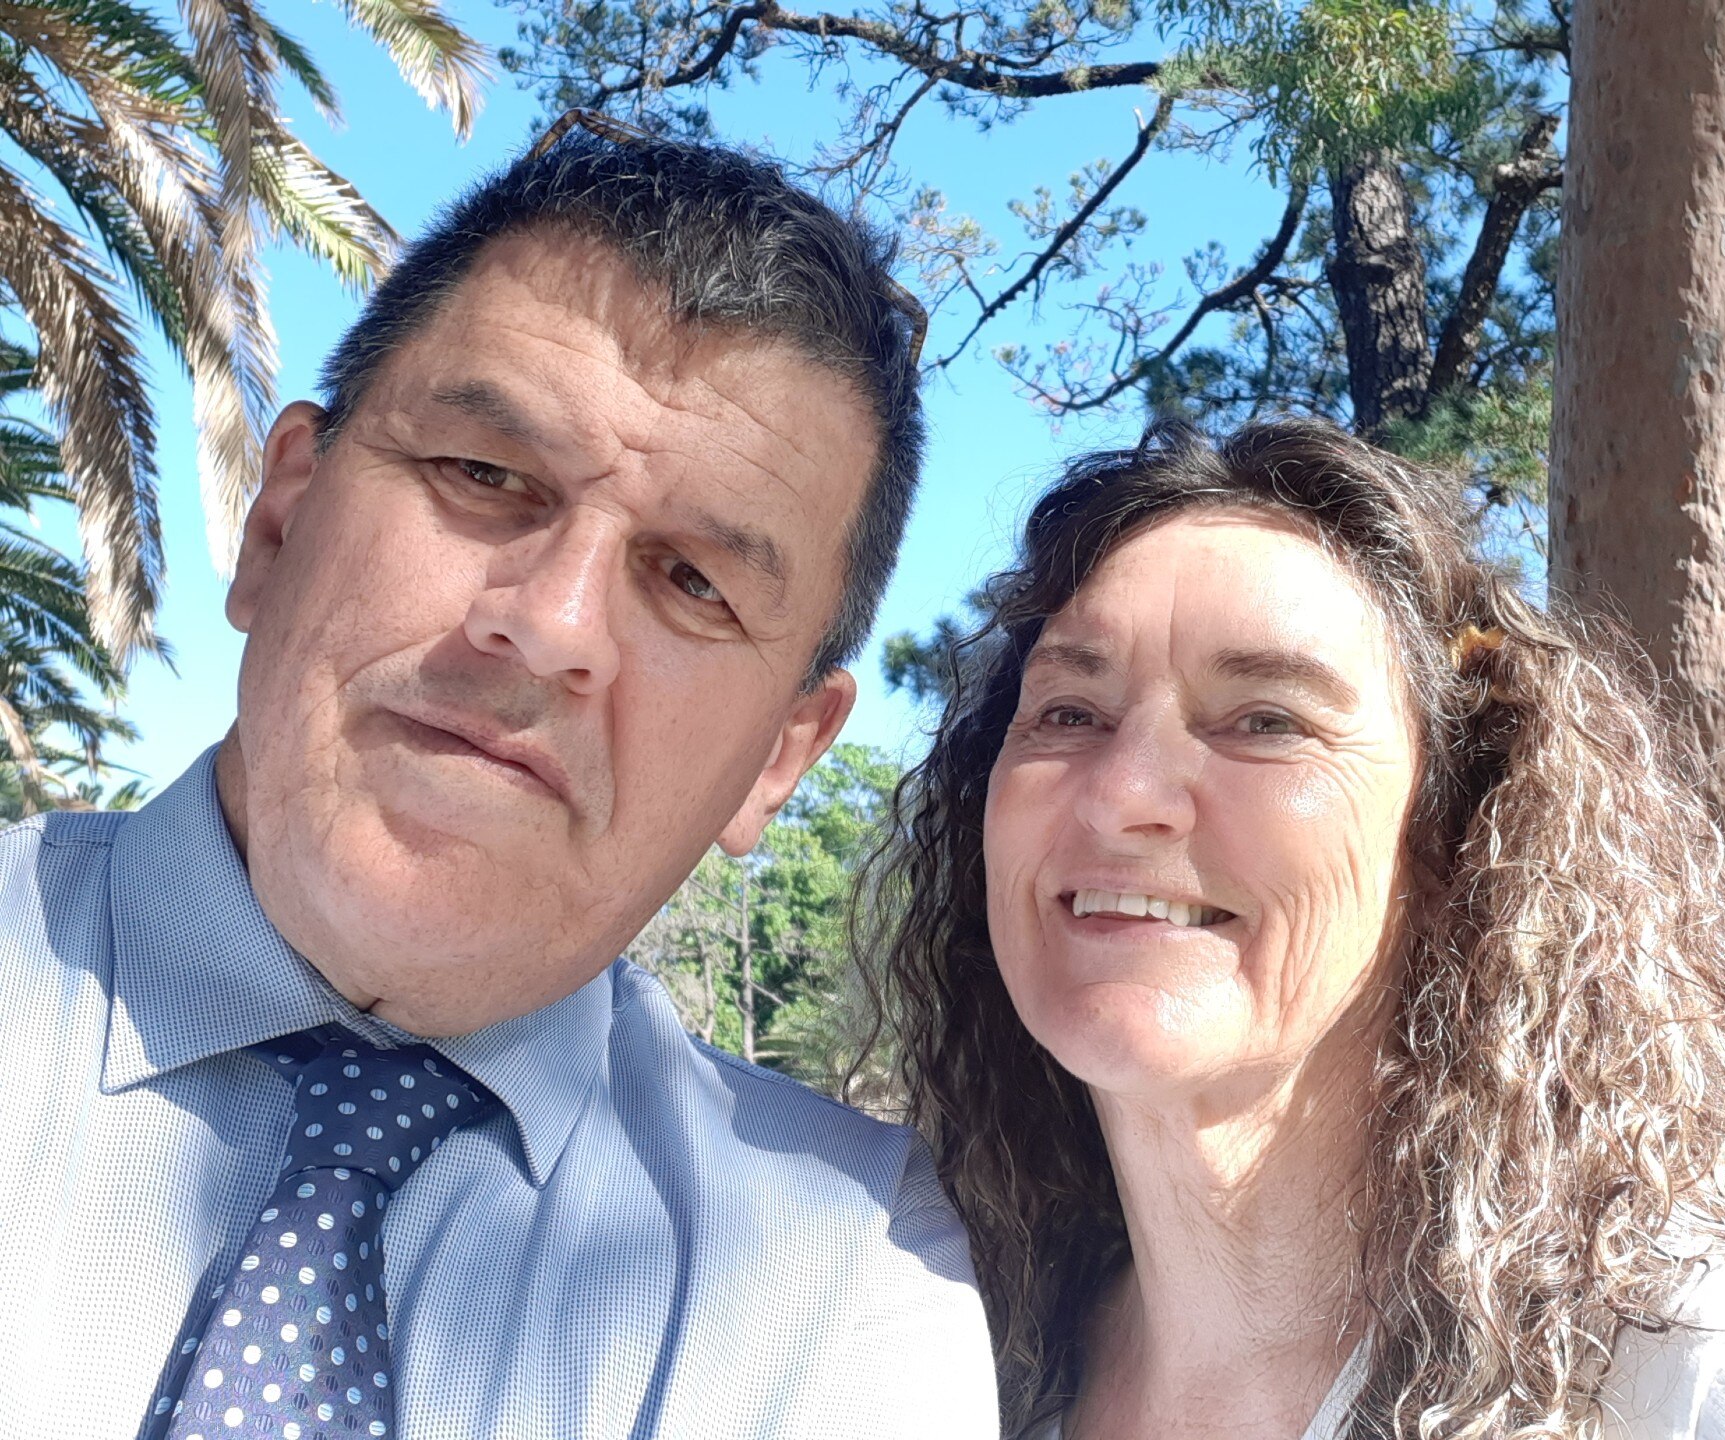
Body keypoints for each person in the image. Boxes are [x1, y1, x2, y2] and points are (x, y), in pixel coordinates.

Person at [0, 113, 996, 1439]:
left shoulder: (854, 1281)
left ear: (779, 758)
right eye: (484, 474)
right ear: (279, 523)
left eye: (694, 582)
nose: (552, 624)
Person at [854, 417, 1725, 1439]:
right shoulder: (913, 1365)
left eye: (1266, 720)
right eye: (1069, 714)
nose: (1123, 791)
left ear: (1455, 834)